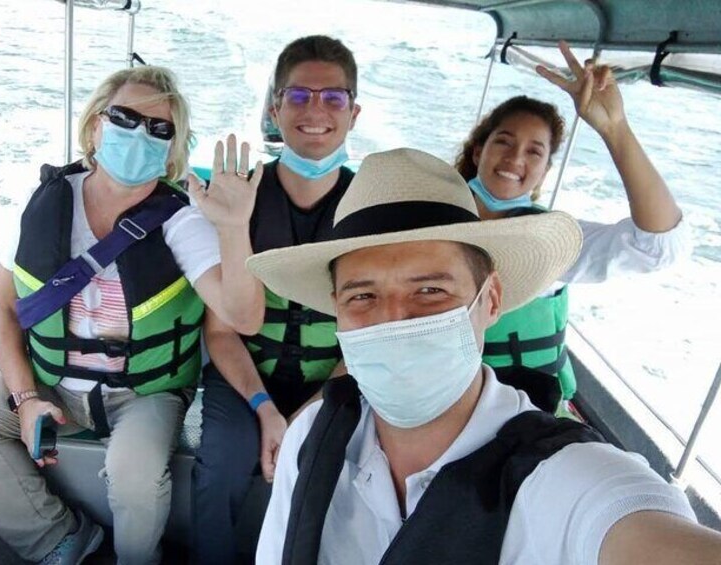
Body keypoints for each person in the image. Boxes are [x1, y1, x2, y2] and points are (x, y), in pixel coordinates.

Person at [249, 148, 721, 564]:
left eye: (430, 290)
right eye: (362, 297)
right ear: (337, 312)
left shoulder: (565, 477)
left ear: (490, 299)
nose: (394, 320)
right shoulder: (311, 435)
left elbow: (639, 531)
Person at [0, 65, 264, 565]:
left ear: (173, 148)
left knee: (134, 476)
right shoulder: (44, 202)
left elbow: (244, 317)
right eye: (124, 117)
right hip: (51, 380)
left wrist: (233, 228)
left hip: (144, 392)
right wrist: (25, 397)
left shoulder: (184, 219)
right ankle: (61, 541)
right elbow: (2, 309)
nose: (138, 134)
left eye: (159, 128)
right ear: (94, 126)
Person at [192, 35, 360, 564]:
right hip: (243, 374)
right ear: (275, 108)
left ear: (353, 113)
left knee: (322, 468)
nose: (316, 111)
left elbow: (362, 337)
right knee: (220, 463)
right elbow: (219, 331)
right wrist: (266, 409)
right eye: (299, 96)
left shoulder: (367, 211)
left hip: (333, 381)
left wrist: (308, 413)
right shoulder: (236, 197)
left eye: (333, 98)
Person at [456, 41, 690, 402]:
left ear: (544, 171)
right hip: (443, 405)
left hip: (525, 414)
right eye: (503, 142)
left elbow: (657, 247)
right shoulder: (431, 218)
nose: (516, 157)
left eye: (534, 151)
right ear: (478, 151)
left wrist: (615, 128)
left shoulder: (553, 243)